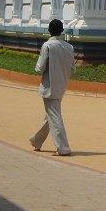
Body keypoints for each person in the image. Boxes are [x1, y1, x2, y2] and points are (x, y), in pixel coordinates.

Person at [29, 19, 75, 156]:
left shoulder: (48, 45)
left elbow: (39, 68)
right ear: (61, 31)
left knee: (54, 117)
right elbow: (72, 67)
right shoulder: (69, 47)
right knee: (51, 115)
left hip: (49, 86)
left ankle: (63, 147)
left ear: (49, 31)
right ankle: (37, 141)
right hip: (62, 85)